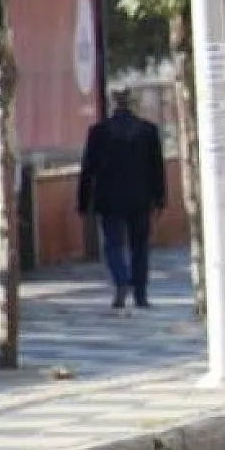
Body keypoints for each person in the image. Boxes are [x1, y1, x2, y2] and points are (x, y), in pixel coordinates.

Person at [77, 88, 166, 309]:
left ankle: (121, 280)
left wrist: (83, 201)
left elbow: (88, 169)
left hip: (110, 199)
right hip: (140, 198)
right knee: (140, 247)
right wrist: (160, 197)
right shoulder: (148, 131)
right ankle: (140, 294)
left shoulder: (99, 132)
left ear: (113, 105)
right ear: (133, 104)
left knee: (113, 245)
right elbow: (157, 169)